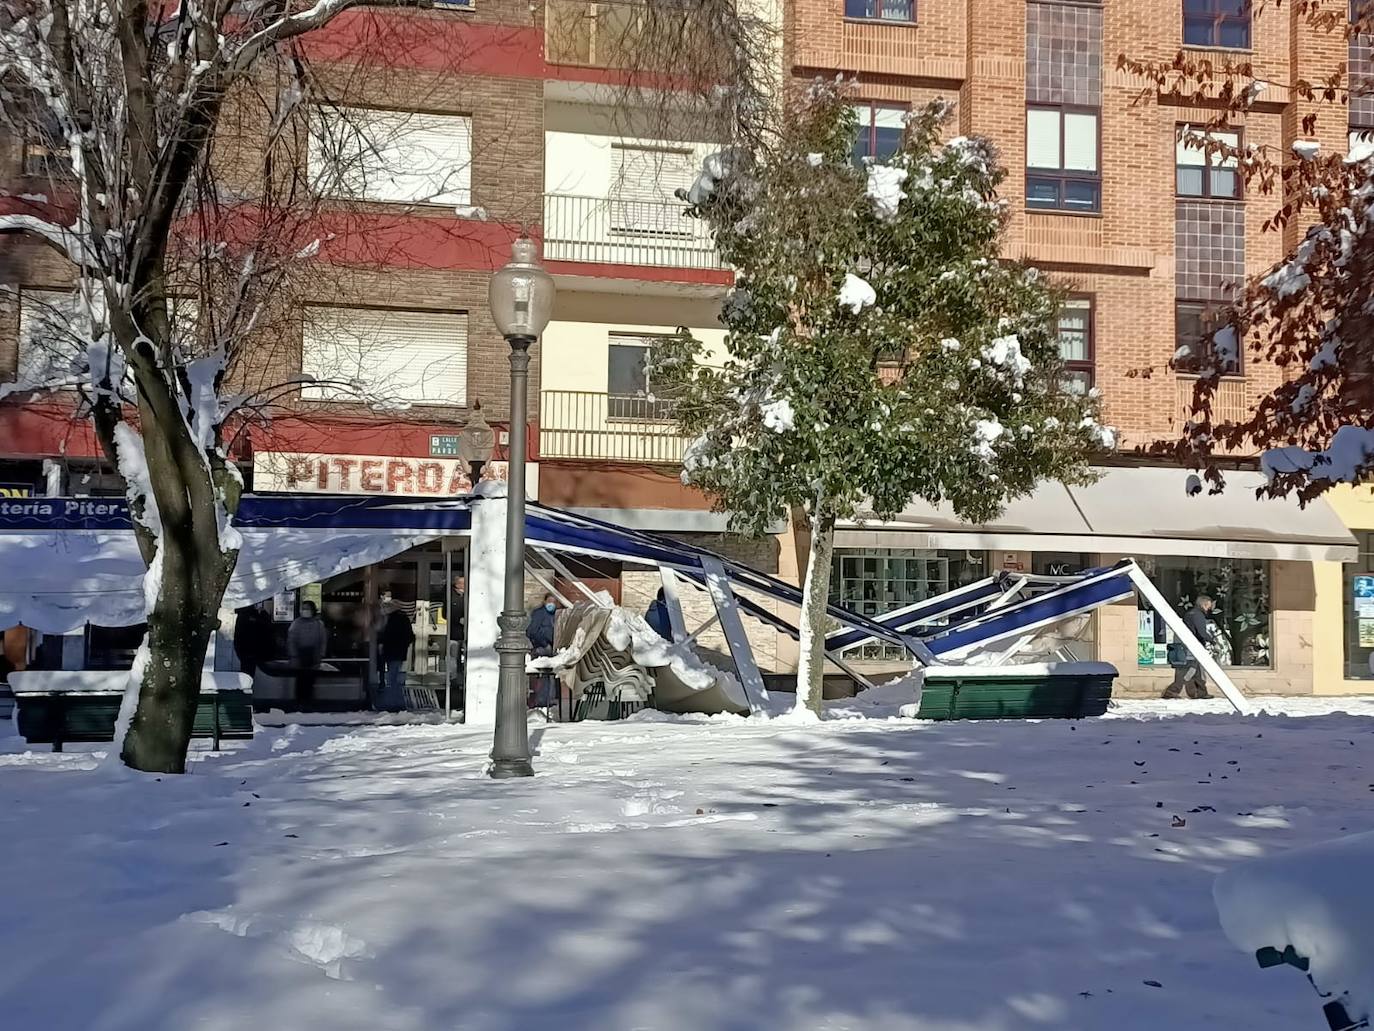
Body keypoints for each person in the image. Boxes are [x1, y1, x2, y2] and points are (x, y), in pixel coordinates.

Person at [1164, 594, 1216, 700]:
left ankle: (1199, 692)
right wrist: (1211, 640)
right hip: (1194, 645)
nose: (1209, 608)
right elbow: (1201, 632)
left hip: (1187, 644)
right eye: (1208, 606)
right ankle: (1173, 690)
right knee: (1190, 668)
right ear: (1204, 604)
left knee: (1197, 669)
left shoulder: (1189, 614)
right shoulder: (1198, 615)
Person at [287, 601, 329, 706]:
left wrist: (320, 655)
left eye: (307, 608)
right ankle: (299, 703)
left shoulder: (318, 624)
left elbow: (323, 640)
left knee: (310, 680)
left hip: (313, 656)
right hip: (299, 655)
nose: (305, 610)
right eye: (303, 608)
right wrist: (294, 655)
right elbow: (291, 640)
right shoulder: (296, 623)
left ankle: (308, 702)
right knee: (300, 681)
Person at [379, 602, 415, 711]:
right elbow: (410, 636)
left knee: (392, 677)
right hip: (399, 651)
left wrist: (381, 644)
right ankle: (396, 701)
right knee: (395, 676)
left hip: (391, 651)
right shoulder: (403, 618)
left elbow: (385, 635)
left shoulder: (390, 620)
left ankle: (395, 702)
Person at [527, 593, 558, 707]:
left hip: (552, 647)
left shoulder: (555, 614)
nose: (552, 604)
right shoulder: (539, 614)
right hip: (541, 647)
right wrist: (544, 644)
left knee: (551, 675)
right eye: (550, 601)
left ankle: (549, 699)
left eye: (554, 602)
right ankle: (541, 700)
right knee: (542, 675)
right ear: (545, 601)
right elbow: (532, 631)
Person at [232, 604, 270, 679]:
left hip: (245, 650)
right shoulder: (250, 616)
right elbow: (264, 626)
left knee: (247, 672)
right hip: (251, 649)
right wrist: (263, 613)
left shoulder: (242, 616)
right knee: (249, 671)